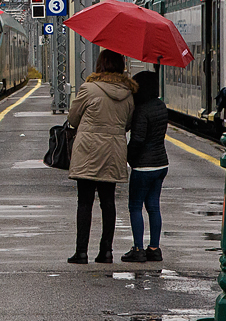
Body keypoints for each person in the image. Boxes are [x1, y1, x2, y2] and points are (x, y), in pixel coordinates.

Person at [66, 49, 136, 264]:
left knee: (84, 202)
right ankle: (106, 252)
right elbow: (128, 123)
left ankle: (81, 252)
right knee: (108, 202)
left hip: (88, 150)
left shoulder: (89, 89)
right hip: (114, 150)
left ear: (100, 66)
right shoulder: (129, 93)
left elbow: (73, 118)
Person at [122, 71, 169, 262]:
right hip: (161, 164)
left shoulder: (141, 110)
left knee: (135, 206)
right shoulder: (161, 106)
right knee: (153, 207)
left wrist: (128, 157)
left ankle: (138, 249)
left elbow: (138, 140)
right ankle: (154, 248)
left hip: (143, 166)